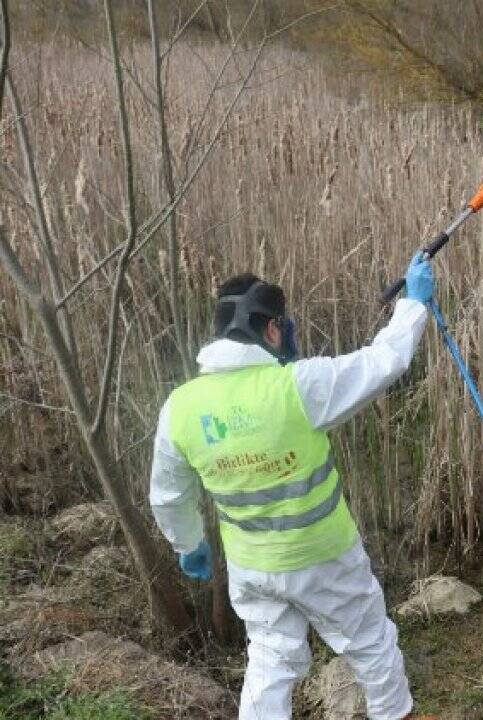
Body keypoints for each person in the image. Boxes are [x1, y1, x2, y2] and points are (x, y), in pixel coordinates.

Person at [149, 255, 437, 720]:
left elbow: (167, 494)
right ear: (270, 331)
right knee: (370, 643)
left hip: (251, 566)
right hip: (324, 557)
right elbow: (383, 361)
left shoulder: (179, 407)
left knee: (270, 658)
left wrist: (188, 543)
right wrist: (413, 305)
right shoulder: (299, 386)